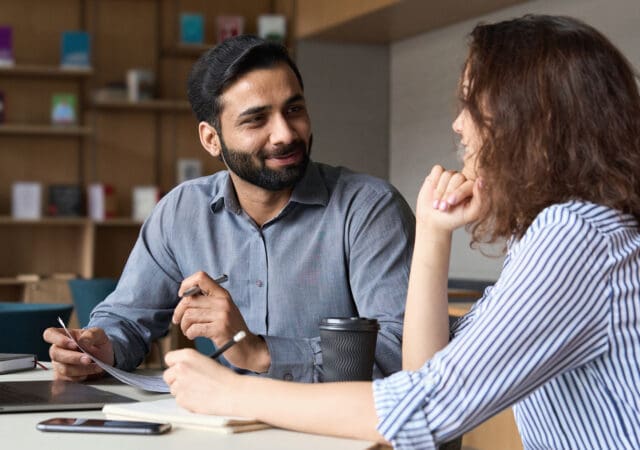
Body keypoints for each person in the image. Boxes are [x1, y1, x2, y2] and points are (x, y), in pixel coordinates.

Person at [161, 14, 640, 450]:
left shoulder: (576, 236)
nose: (458, 124)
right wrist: (432, 231)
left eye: (472, 104)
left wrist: (236, 392)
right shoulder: (565, 232)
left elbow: (422, 409)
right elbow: (426, 372)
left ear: (533, 120)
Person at [43, 36, 415, 383]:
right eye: (256, 119)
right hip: (228, 427)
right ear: (211, 139)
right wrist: (98, 346)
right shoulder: (182, 212)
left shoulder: (369, 209)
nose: (285, 133)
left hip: (344, 432)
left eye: (295, 109)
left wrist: (261, 353)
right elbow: (127, 317)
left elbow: (405, 351)